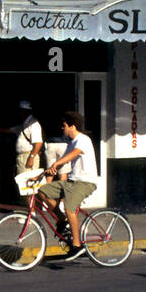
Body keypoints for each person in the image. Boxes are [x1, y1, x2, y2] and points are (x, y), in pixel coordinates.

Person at [36, 112, 97, 261]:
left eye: (64, 126)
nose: (62, 128)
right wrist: (43, 174)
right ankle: (62, 220)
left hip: (85, 182)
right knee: (42, 191)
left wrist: (56, 164)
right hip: (72, 181)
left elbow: (73, 155)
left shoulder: (83, 140)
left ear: (72, 126)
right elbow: (63, 160)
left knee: (70, 207)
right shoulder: (71, 142)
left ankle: (77, 246)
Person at [6, 100, 44, 178]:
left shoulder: (33, 124)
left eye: (20, 111)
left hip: (28, 156)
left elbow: (38, 143)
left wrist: (31, 157)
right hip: (23, 157)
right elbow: (10, 130)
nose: (19, 113)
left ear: (25, 111)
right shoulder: (24, 124)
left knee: (28, 184)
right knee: (23, 184)